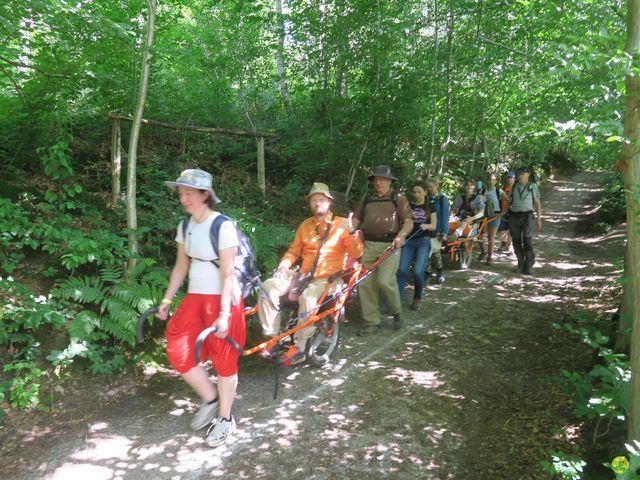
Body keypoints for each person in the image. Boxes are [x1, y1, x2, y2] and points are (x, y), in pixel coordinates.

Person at [157, 168, 245, 447]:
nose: (184, 199)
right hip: (195, 298)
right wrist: (167, 299)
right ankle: (210, 398)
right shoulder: (186, 226)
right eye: (181, 193)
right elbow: (181, 265)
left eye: (190, 193)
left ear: (205, 195)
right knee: (177, 349)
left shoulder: (223, 225)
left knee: (224, 360)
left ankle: (225, 418)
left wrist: (223, 314)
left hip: (223, 299)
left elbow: (228, 273)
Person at [258, 182, 363, 364]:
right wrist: (284, 265)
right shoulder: (305, 225)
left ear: (329, 202)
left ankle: (300, 346)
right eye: (314, 200)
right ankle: (272, 338)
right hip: (302, 276)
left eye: (321, 200)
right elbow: (293, 251)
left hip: (329, 278)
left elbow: (357, 254)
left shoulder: (341, 225)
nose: (317, 203)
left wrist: (352, 232)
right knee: (268, 286)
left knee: (308, 297)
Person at [351, 165, 413, 336]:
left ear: (390, 181)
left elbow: (408, 221)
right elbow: (356, 219)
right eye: (377, 179)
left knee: (385, 281)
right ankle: (372, 322)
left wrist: (401, 236)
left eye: (383, 179)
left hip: (390, 245)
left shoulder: (397, 197)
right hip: (368, 244)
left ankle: (397, 312)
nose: (380, 182)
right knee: (364, 282)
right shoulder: (367, 197)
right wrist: (347, 230)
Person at [397, 182, 437, 310]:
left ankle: (417, 298)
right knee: (402, 270)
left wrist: (426, 226)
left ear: (425, 192)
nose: (417, 194)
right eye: (414, 192)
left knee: (418, 271)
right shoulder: (409, 206)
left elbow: (434, 225)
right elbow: (403, 222)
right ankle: (396, 299)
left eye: (419, 192)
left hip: (423, 241)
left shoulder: (431, 207)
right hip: (409, 241)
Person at [508, 166, 542, 275]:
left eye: (522, 174)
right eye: (518, 174)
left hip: (527, 216)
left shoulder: (532, 186)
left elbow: (537, 203)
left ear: (528, 175)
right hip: (514, 216)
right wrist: (502, 213)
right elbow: (509, 202)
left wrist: (538, 218)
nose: (520, 176)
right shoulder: (514, 187)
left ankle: (529, 265)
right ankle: (520, 264)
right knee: (516, 241)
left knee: (527, 241)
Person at [478, 173, 508, 266]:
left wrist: (502, 213)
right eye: (489, 179)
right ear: (487, 181)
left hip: (495, 215)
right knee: (479, 235)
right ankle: (483, 251)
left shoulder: (499, 191)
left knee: (491, 237)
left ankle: (489, 257)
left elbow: (508, 201)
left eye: (493, 180)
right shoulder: (482, 191)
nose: (491, 181)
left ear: (496, 181)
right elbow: (478, 203)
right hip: (483, 215)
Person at [426, 177, 449, 284]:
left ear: (436, 186)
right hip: (427, 229)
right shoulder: (426, 198)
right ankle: (428, 273)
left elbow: (445, 216)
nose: (430, 189)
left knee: (436, 252)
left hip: (438, 229)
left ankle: (440, 271)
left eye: (431, 187)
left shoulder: (442, 199)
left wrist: (444, 232)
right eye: (428, 187)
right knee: (426, 251)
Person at [497, 171, 516, 253]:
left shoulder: (516, 188)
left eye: (511, 178)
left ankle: (509, 245)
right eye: (508, 177)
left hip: (513, 211)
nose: (509, 179)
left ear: (514, 179)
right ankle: (503, 244)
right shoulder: (502, 188)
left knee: (512, 228)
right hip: (502, 210)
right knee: (501, 228)